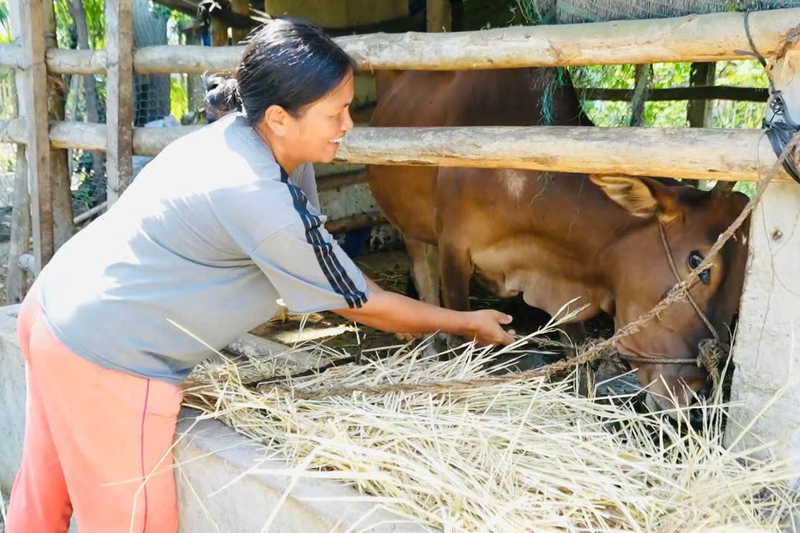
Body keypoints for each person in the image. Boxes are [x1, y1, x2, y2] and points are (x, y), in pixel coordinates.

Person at [5, 17, 514, 533]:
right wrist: (465, 321)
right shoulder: (256, 192)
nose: (348, 124)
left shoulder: (243, 140)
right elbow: (362, 302)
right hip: (106, 358)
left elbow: (329, 267)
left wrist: (414, 315)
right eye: (335, 112)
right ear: (279, 117)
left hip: (54, 307)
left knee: (40, 504)